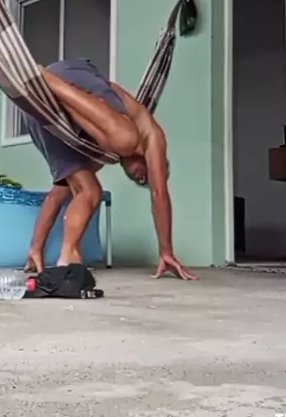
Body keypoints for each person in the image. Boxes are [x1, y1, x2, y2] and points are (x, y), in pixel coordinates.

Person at [24, 58, 196, 281]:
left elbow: (55, 196)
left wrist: (35, 248)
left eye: (140, 182)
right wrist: (166, 251)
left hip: (40, 117)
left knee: (90, 191)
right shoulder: (151, 136)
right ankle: (42, 76)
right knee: (126, 140)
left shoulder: (100, 152)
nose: (139, 178)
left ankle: (68, 255)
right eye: (146, 176)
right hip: (69, 76)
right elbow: (159, 193)